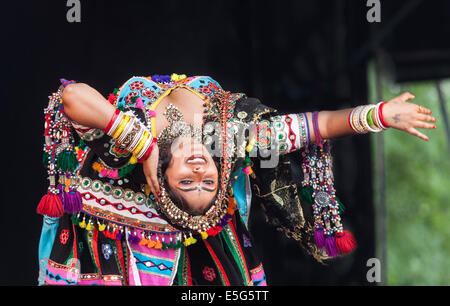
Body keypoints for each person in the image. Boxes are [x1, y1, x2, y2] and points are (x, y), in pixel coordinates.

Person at [37, 74, 436, 285]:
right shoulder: (228, 141)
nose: (198, 172)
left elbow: (71, 96)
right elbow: (316, 127)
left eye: (186, 183)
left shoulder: (127, 144)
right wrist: (381, 116)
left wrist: (143, 146)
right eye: (206, 184)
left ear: (164, 177)